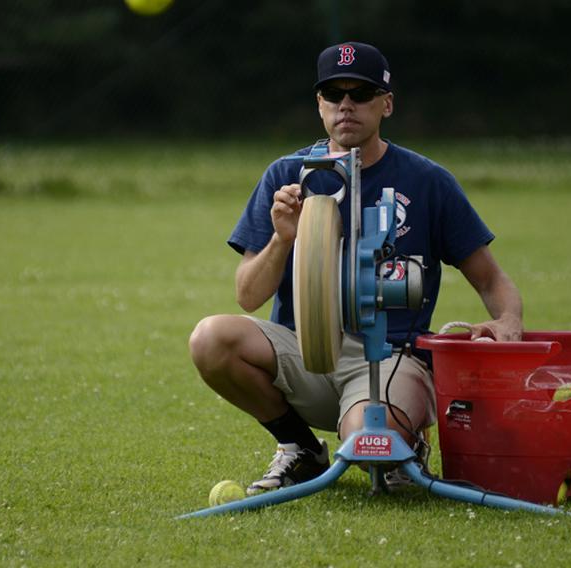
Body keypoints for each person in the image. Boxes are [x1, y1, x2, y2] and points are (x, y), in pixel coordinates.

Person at [188, 42, 523, 495]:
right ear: (319, 105)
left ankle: (401, 441)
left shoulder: (427, 182)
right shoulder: (286, 174)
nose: (346, 105)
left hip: (390, 356)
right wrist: (283, 237)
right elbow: (248, 295)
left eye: (361, 94)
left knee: (369, 448)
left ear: (386, 103)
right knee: (210, 339)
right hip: (304, 352)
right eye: (334, 94)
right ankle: (300, 449)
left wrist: (508, 319)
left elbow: (490, 277)